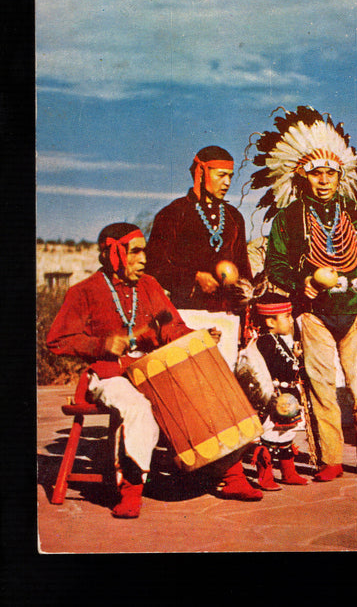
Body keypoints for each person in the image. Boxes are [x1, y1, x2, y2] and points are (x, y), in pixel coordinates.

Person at [46, 222, 263, 518]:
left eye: (144, 252)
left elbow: (170, 328)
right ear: (114, 254)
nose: (144, 260)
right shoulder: (84, 291)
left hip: (151, 370)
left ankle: (233, 475)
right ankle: (132, 490)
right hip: (110, 375)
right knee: (138, 407)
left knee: (202, 390)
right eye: (135, 252)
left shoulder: (148, 286)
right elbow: (57, 340)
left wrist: (196, 335)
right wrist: (100, 345)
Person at [254, 106, 357, 481]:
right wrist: (303, 279)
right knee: (320, 387)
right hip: (313, 310)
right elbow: (276, 265)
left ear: (340, 176)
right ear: (303, 176)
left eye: (331, 173)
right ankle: (330, 460)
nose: (324, 180)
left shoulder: (355, 210)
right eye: (316, 173)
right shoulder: (289, 216)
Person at [146, 145, 253, 367]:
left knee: (225, 383)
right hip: (185, 316)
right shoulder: (173, 214)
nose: (227, 183)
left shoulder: (234, 218)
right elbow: (154, 267)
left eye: (230, 177)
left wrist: (244, 297)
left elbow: (243, 269)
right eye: (221, 175)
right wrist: (194, 278)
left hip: (226, 316)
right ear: (201, 173)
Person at [236, 293, 310, 490]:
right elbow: (263, 370)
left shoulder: (277, 339)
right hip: (274, 400)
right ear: (270, 320)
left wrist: (294, 357)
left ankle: (288, 472)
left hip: (287, 399)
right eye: (286, 316)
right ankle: (266, 476)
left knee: (285, 435)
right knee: (269, 437)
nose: (291, 320)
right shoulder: (264, 342)